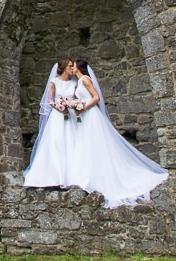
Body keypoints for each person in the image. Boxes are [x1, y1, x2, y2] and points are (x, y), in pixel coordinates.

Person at [67, 58, 168, 207]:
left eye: (74, 66)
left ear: (79, 67)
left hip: (91, 114)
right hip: (84, 116)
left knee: (96, 142)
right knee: (86, 143)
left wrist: (83, 108)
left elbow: (96, 97)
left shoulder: (85, 80)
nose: (72, 68)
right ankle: (89, 174)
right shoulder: (79, 81)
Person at [22, 57, 79, 188]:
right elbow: (50, 100)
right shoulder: (54, 82)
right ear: (64, 68)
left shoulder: (74, 83)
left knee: (71, 141)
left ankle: (71, 175)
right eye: (70, 66)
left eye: (72, 66)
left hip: (70, 115)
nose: (72, 68)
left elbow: (76, 98)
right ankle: (54, 175)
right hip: (58, 116)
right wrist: (59, 108)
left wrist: (71, 106)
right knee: (56, 142)